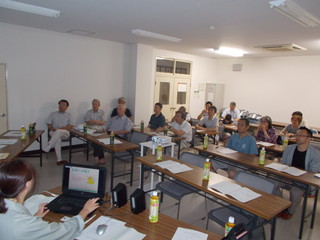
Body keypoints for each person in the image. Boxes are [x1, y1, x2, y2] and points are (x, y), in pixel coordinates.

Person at [0, 159, 99, 240]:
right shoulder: (24, 226)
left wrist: (35, 217)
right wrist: (85, 211)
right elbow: (63, 231)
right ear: (27, 184)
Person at [277, 127, 320, 220]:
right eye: (297, 135)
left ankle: (290, 211)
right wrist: (284, 174)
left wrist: (297, 176)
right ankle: (281, 206)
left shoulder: (315, 154)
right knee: (271, 182)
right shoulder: (289, 148)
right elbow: (283, 163)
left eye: (302, 135)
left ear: (309, 138)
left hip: (303, 180)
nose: (298, 137)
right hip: (287, 177)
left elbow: (312, 172)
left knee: (295, 191)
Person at [43, 99, 74, 165]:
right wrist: (53, 129)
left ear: (67, 107)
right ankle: (59, 160)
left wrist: (62, 128)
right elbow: (48, 124)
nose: (61, 106)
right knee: (58, 140)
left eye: (63, 105)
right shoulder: (52, 114)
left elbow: (71, 125)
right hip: (53, 132)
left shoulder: (69, 115)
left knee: (59, 131)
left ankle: (49, 145)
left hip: (65, 132)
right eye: (60, 105)